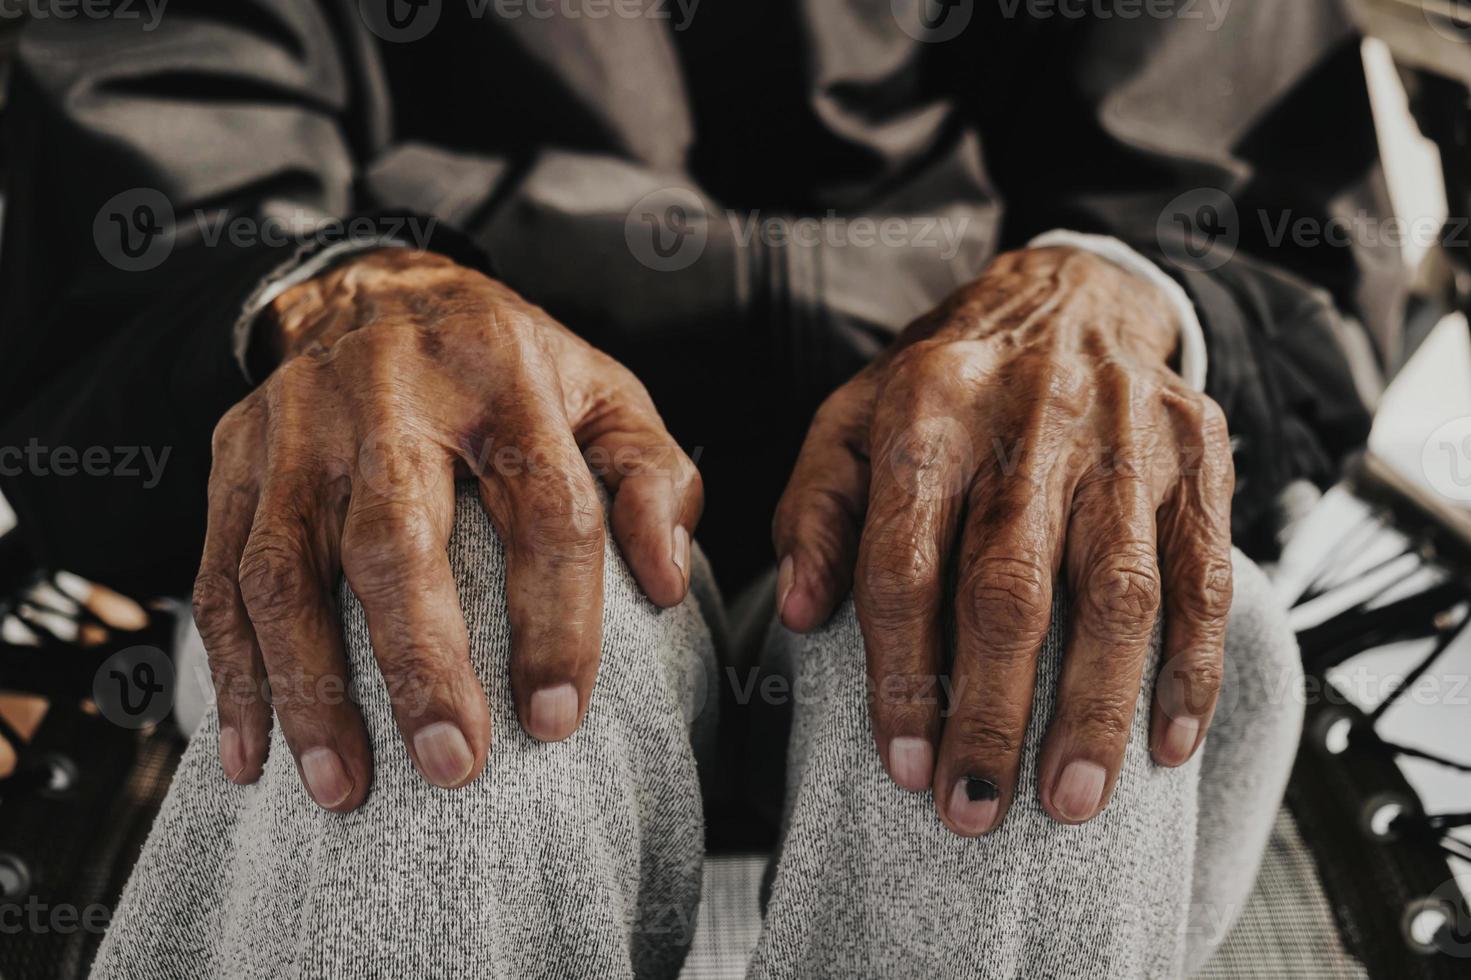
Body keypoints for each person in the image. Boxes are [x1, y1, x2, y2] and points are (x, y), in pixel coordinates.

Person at [0, 2, 1395, 977]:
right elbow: (159, 165)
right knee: (438, 595)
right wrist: (338, 302)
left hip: (929, 388)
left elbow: (1228, 181)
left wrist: (1112, 294)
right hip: (467, 417)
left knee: (1025, 581)